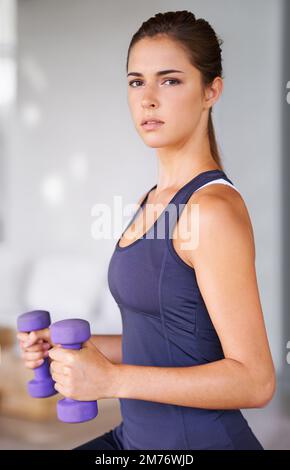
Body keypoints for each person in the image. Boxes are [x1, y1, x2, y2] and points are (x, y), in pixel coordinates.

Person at [17, 10, 276, 450]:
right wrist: (70, 351)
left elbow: (255, 381)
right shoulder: (151, 200)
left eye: (170, 80)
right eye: (137, 81)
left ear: (211, 90)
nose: (148, 98)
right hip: (134, 439)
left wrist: (112, 380)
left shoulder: (210, 210)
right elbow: (166, 339)